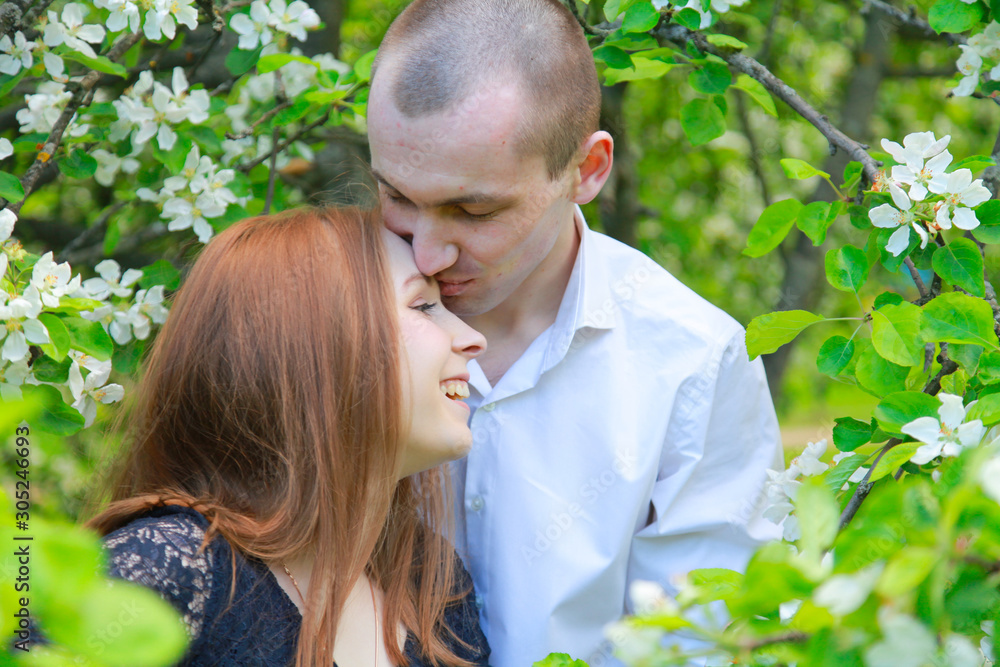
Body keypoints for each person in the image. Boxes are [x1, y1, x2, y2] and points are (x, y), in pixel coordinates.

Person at [365, 1, 785, 665]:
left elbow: (711, 640)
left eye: (473, 210)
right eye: (395, 196)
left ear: (587, 170)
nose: (426, 254)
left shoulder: (691, 361)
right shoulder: (322, 317)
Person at [83, 207, 492, 667]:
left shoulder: (429, 584)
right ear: (310, 345)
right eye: (422, 305)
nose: (473, 338)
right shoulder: (171, 568)